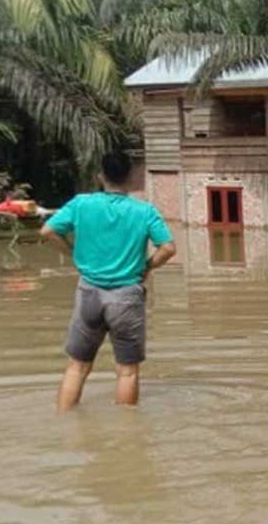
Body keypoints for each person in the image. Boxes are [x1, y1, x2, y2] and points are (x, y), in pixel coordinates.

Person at [41, 153, 176, 412]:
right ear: (131, 178)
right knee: (127, 371)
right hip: (126, 296)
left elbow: (47, 231)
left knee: (77, 366)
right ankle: (127, 431)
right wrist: (147, 266)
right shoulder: (144, 211)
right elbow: (168, 248)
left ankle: (63, 421)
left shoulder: (81, 204)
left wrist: (72, 253)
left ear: (100, 177)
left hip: (89, 293)